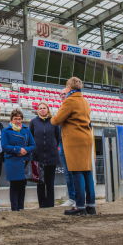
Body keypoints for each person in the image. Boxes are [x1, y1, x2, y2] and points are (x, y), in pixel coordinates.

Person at [51, 77, 96, 216]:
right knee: (87, 172)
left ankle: (79, 206)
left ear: (69, 88)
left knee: (76, 172)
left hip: (74, 140)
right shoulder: (85, 101)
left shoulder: (69, 100)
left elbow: (57, 120)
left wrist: (52, 118)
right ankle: (91, 206)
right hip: (86, 138)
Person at [1, 109, 35, 211]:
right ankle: (14, 208)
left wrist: (26, 150)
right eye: (16, 119)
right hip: (13, 161)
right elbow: (4, 146)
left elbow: (33, 145)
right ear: (11, 120)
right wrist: (18, 149)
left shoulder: (26, 130)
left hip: (24, 160)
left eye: (19, 119)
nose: (18, 121)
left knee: (22, 185)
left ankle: (21, 208)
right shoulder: (6, 131)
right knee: (14, 185)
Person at [30, 101, 60, 208]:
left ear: (48, 109)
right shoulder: (33, 122)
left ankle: (50, 204)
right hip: (37, 157)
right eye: (40, 108)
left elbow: (57, 137)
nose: (42, 110)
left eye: (44, 108)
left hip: (51, 156)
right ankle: (42, 205)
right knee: (40, 183)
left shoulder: (53, 121)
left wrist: (52, 147)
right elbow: (31, 137)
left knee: (50, 183)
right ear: (37, 110)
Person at [58, 87, 76, 208]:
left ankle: (78, 198)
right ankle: (72, 198)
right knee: (67, 173)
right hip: (63, 143)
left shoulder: (74, 107)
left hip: (73, 144)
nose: (63, 96)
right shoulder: (62, 109)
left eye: (65, 93)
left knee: (75, 172)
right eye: (61, 94)